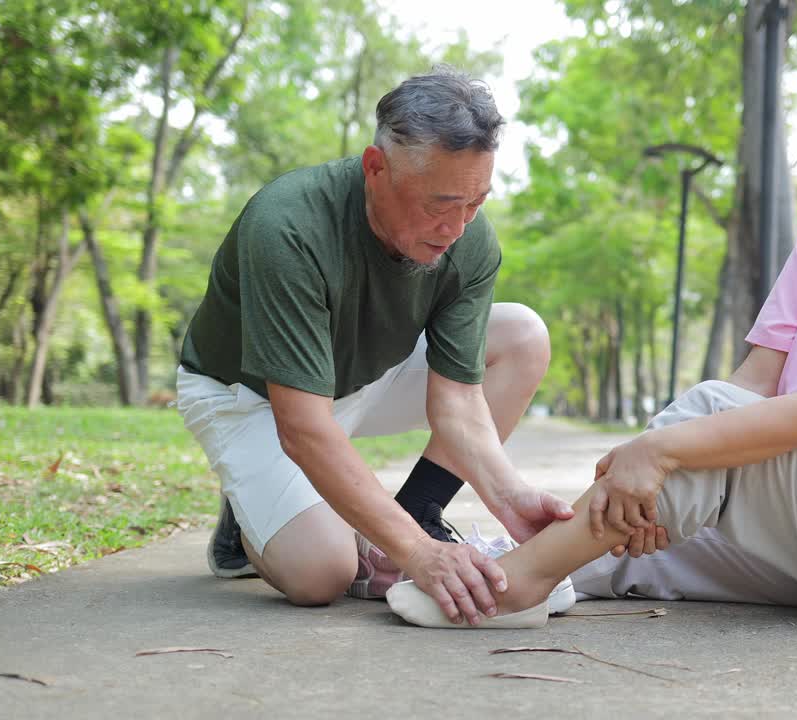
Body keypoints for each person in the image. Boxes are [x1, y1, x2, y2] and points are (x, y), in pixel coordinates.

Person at [386, 59, 797, 629]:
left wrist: (660, 449)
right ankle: (494, 576)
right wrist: (652, 468)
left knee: (689, 449)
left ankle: (518, 584)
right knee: (642, 542)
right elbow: (752, 386)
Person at [175, 67, 581, 625]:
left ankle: (418, 509)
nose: (456, 228)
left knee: (522, 335)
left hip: (365, 374)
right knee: (321, 574)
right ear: (375, 168)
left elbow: (459, 398)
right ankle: (249, 519)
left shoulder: (469, 237)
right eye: (439, 205)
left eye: (476, 203)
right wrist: (417, 554)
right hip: (253, 398)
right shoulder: (288, 225)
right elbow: (302, 427)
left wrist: (509, 496)